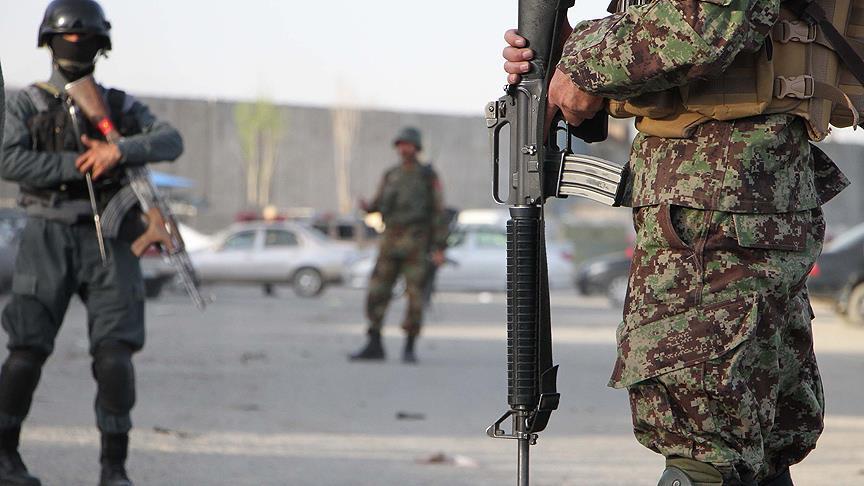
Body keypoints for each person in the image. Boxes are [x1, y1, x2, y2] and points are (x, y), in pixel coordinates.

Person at [501, 1, 851, 485]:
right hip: (735, 193)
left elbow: (707, 19)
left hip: (716, 195)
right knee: (751, 443)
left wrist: (581, 63)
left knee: (703, 438)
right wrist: (568, 48)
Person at [0, 1, 183, 485]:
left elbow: (171, 140)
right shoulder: (27, 103)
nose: (77, 44)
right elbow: (8, 160)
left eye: (87, 37)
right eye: (69, 36)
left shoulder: (119, 106)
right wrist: (82, 165)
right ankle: (4, 457)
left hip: (110, 238)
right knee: (26, 350)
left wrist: (118, 149)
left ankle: (113, 468)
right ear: (49, 43)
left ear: (102, 44)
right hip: (47, 233)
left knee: (115, 355)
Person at [349, 127, 447, 364]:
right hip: (390, 242)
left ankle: (409, 346)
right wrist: (367, 207)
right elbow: (377, 204)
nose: (404, 149)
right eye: (401, 144)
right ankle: (374, 342)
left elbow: (438, 212)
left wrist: (439, 247)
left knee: (415, 297)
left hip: (416, 243)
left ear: (416, 147)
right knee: (376, 291)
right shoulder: (391, 174)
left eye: (408, 144)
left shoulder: (427, 176)